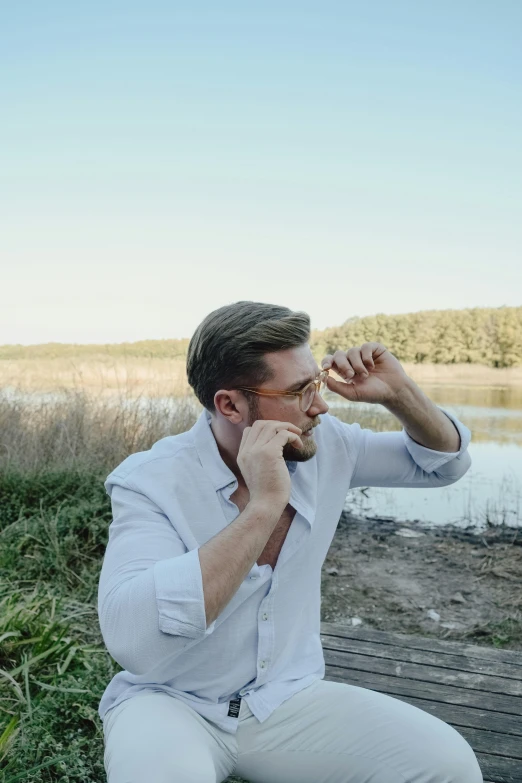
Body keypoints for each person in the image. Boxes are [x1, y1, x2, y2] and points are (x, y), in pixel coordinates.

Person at [98, 301, 483, 783]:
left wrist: (398, 392)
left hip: (285, 700)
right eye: (300, 391)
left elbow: (444, 464)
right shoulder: (150, 482)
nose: (319, 405)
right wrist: (264, 506)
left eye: (315, 384)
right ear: (230, 405)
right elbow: (134, 641)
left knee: (448, 766)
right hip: (171, 704)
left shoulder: (327, 445)